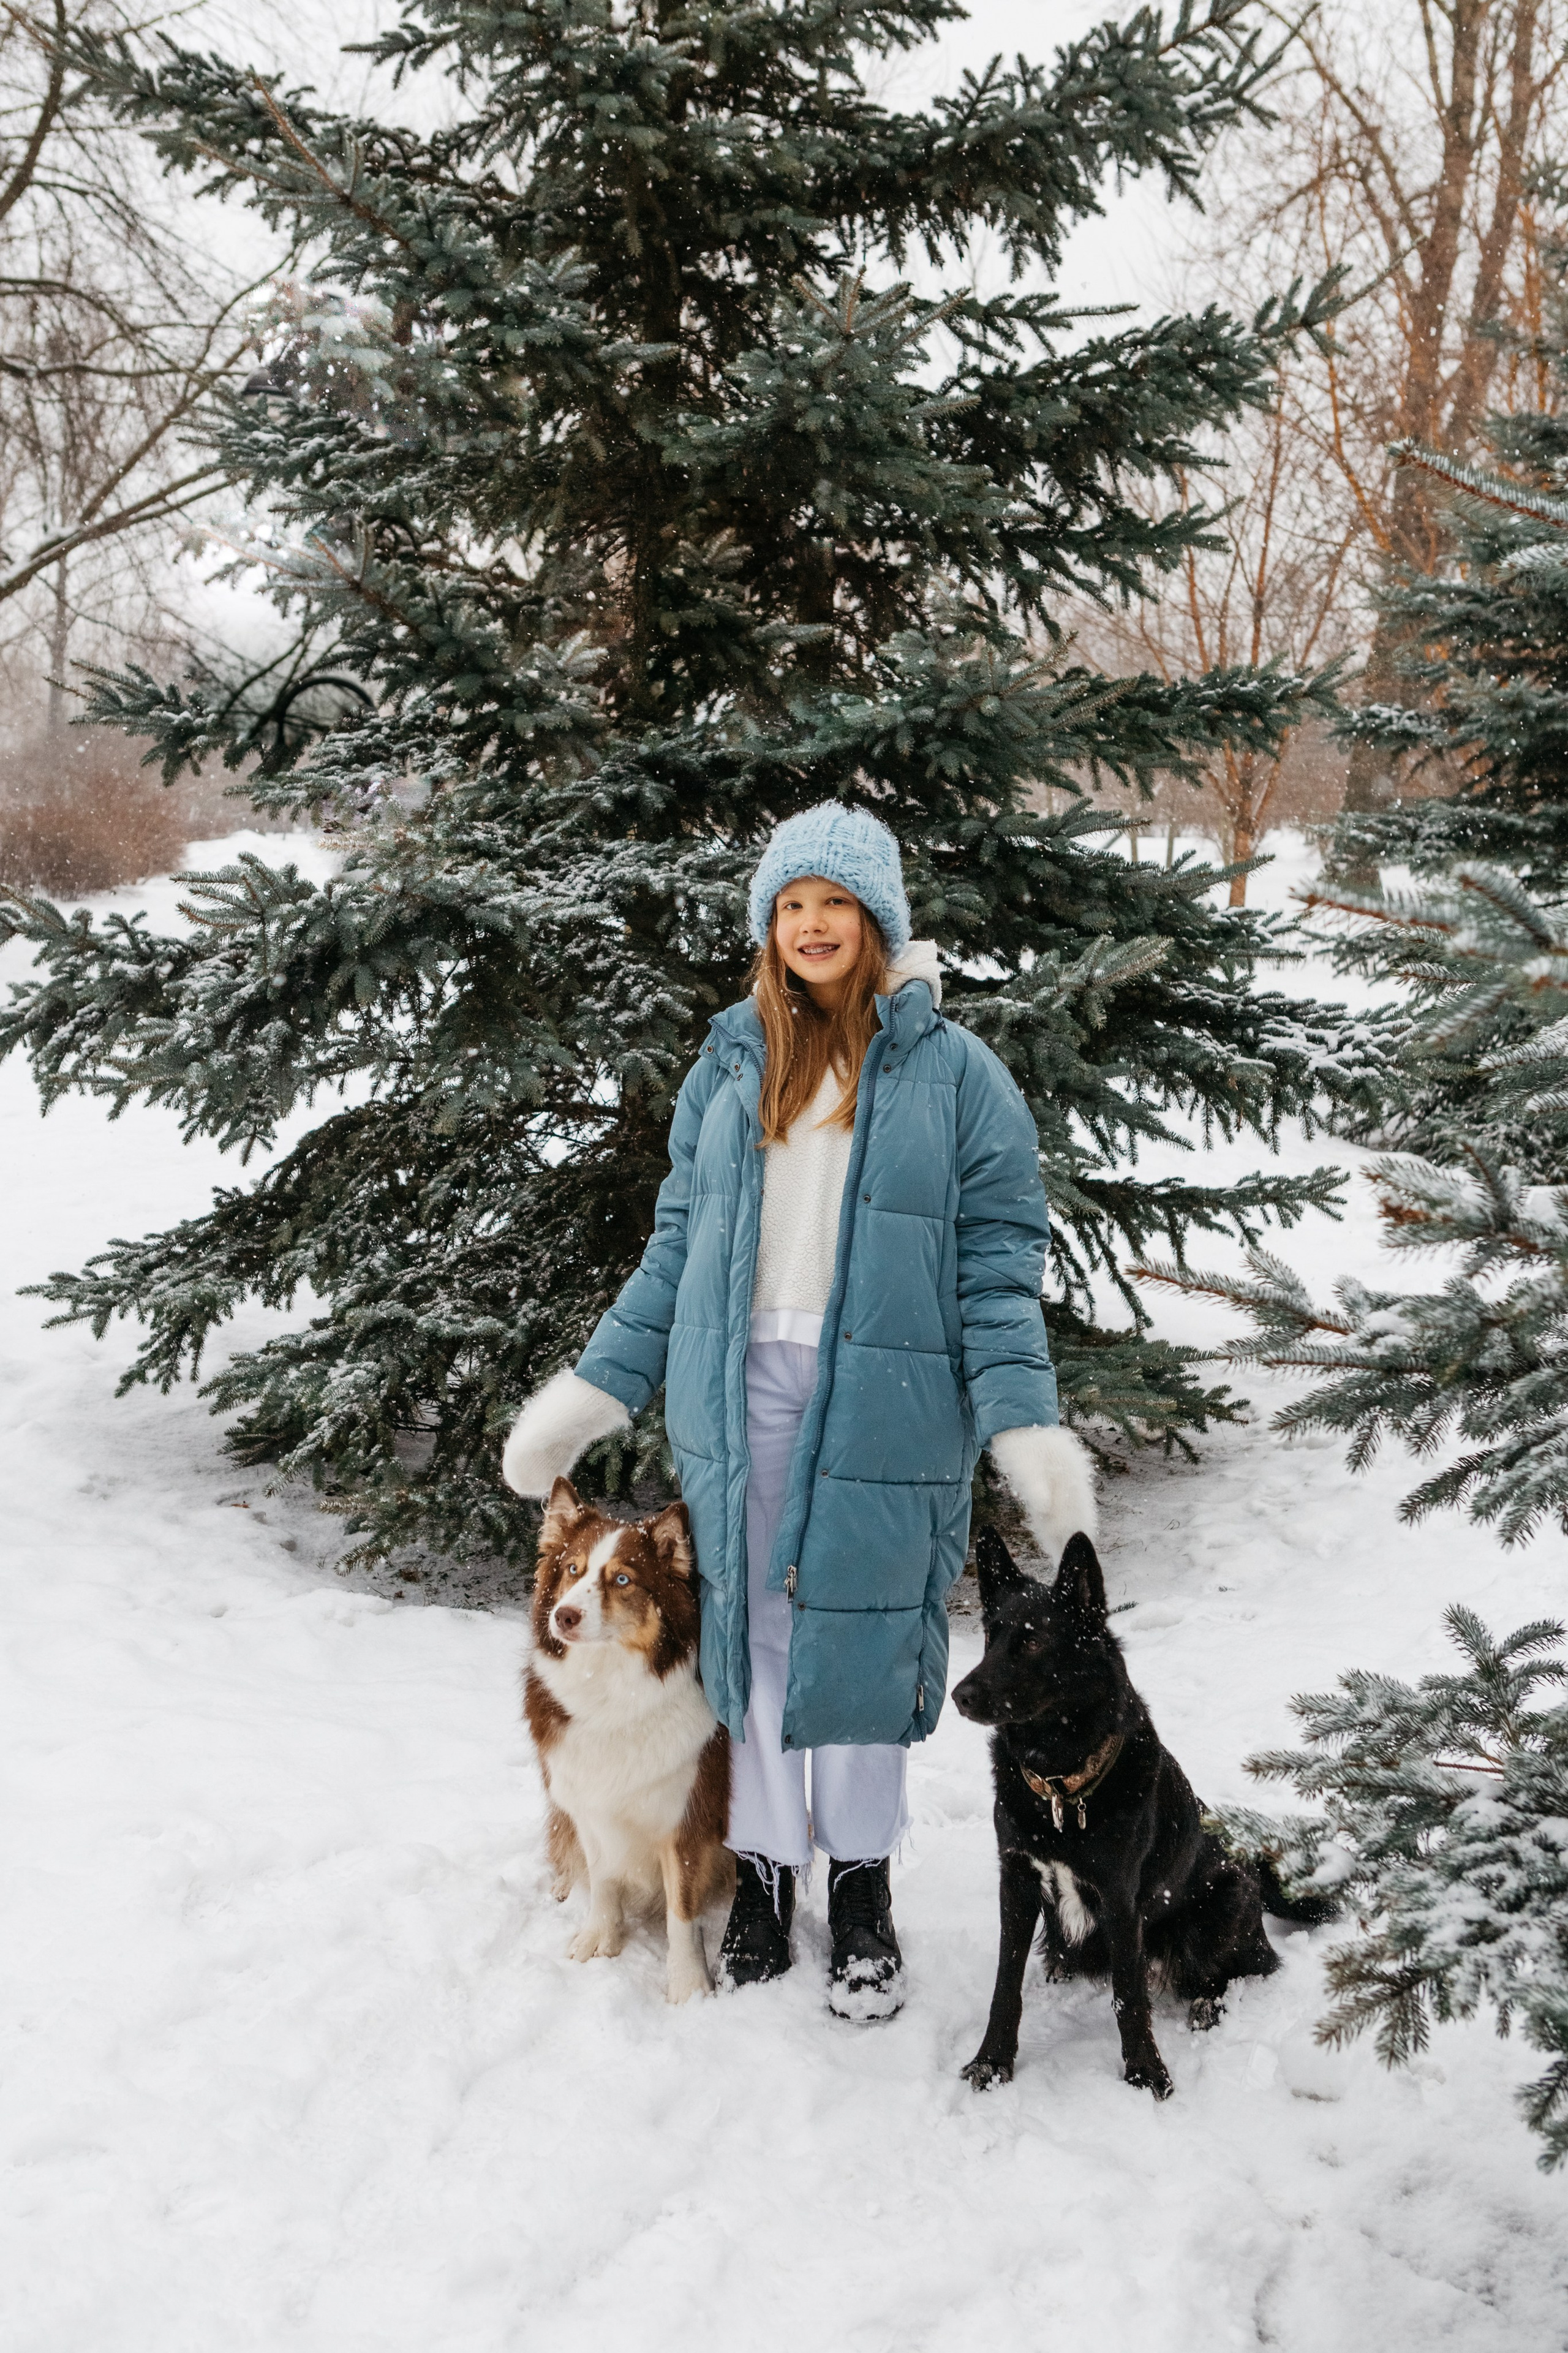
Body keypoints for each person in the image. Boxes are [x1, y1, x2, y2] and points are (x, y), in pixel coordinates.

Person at [503, 803, 1095, 2019]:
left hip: (887, 1396)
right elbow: (673, 1254)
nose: (811, 924)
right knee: (752, 1649)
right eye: (790, 904)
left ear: (875, 921)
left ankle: (864, 1888)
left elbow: (995, 1264)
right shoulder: (729, 1069)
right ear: (767, 927)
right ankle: (767, 1875)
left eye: (833, 902)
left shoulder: (959, 1077)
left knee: (869, 1642)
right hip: (738, 1395)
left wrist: (1021, 1420)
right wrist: (593, 1389)